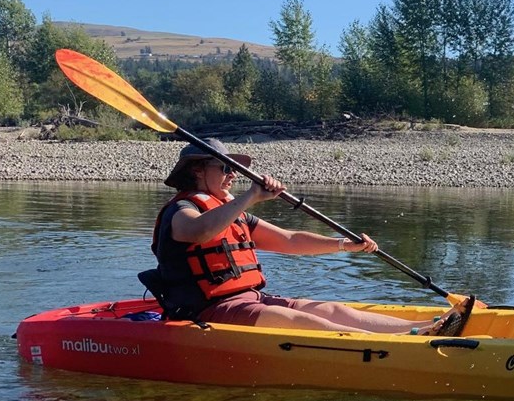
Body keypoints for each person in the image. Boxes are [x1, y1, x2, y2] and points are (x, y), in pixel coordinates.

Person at [143, 138, 473, 334]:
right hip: (208, 313)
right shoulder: (182, 211)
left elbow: (289, 240)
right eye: (225, 168)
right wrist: (252, 196)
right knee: (300, 320)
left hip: (250, 300)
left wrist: (345, 245)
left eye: (233, 169)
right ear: (197, 170)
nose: (232, 175)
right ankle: (414, 341)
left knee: (330, 310)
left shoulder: (231, 212)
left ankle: (419, 331)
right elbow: (199, 231)